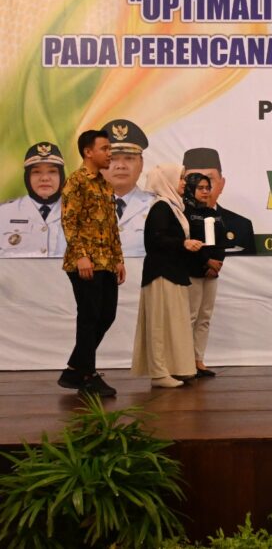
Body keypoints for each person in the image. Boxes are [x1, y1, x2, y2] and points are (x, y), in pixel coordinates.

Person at [59, 130, 126, 397]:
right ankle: (87, 376)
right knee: (89, 317)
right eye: (105, 148)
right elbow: (69, 221)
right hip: (84, 262)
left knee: (107, 315)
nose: (110, 154)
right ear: (88, 152)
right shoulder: (76, 181)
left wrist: (118, 259)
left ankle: (75, 369)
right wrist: (80, 256)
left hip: (107, 262)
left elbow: (112, 226)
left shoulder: (105, 185)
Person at [131, 164, 203, 388]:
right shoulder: (161, 207)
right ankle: (159, 373)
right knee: (160, 325)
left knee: (174, 323)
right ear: (168, 181)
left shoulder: (173, 207)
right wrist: (183, 243)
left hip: (173, 272)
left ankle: (176, 368)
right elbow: (156, 239)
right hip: (161, 273)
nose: (184, 183)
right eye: (180, 178)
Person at [183, 172, 226, 377]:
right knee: (190, 316)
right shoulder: (184, 212)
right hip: (192, 270)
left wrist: (216, 264)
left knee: (205, 316)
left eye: (208, 187)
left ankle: (198, 360)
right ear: (190, 189)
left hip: (211, 273)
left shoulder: (213, 213)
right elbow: (187, 243)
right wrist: (206, 261)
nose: (205, 191)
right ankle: (184, 362)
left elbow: (221, 241)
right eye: (200, 188)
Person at [182, 147, 255, 255]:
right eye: (193, 180)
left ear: (222, 184)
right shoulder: (175, 219)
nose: (203, 187)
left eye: (209, 179)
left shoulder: (241, 225)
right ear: (183, 184)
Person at [0, 141, 67, 257]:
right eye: (36, 172)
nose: (45, 178)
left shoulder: (81, 213)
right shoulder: (4, 213)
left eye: (52, 171)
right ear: (27, 177)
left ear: (61, 176)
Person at [100, 119, 156, 257]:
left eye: (129, 158)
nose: (121, 166)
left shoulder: (157, 205)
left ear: (141, 164)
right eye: (112, 159)